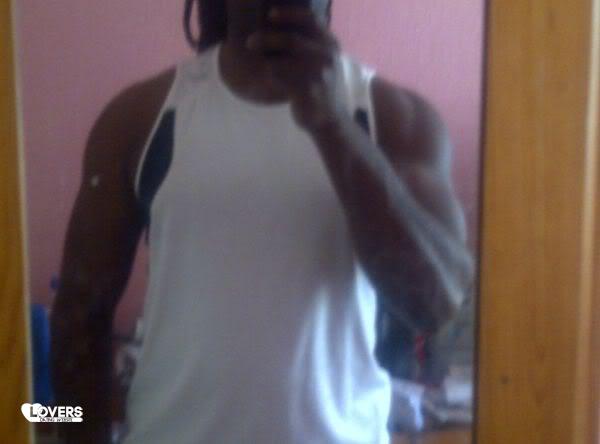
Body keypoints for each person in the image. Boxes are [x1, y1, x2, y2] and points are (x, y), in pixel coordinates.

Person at [51, 1, 473, 443]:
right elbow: (79, 315)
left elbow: (436, 305)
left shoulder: (395, 120)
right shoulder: (141, 119)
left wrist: (332, 124)